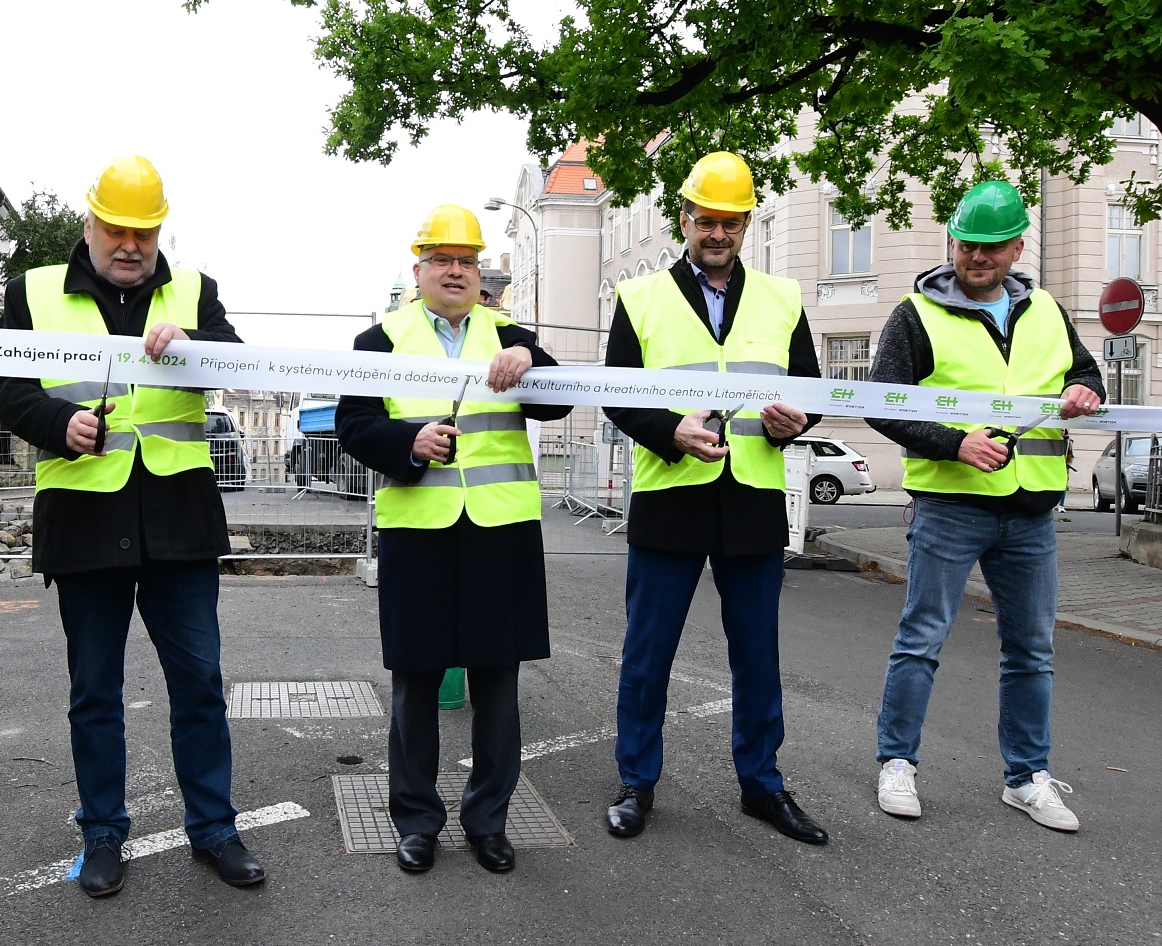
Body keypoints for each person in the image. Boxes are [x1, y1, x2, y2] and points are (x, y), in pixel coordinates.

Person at [0, 155, 264, 897]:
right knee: (95, 693)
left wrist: (194, 346)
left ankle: (215, 828)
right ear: (90, 225)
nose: (130, 245)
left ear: (159, 230)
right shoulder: (34, 291)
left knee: (199, 684)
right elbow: (2, 383)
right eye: (116, 229)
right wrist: (58, 424)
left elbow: (238, 366)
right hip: (84, 518)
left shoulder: (195, 291)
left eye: (144, 231)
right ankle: (102, 833)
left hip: (179, 521)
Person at [602, 152, 829, 846]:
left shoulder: (782, 298)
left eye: (731, 222)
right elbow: (616, 394)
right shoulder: (640, 296)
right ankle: (636, 782)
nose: (718, 233)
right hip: (671, 494)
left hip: (752, 498)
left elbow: (810, 391)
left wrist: (799, 423)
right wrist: (669, 430)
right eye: (707, 220)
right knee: (648, 656)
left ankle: (762, 783)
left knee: (757, 656)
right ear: (685, 219)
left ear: (746, 224)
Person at [337, 205, 570, 874]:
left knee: (498, 684)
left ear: (479, 273)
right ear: (418, 270)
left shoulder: (509, 335)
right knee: (416, 683)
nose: (455, 271)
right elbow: (353, 425)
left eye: (466, 261)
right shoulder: (379, 340)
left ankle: (488, 822)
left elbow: (558, 399)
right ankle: (417, 823)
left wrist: (531, 358)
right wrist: (408, 442)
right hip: (419, 530)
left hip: (500, 529)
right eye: (442, 259)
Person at [867, 180, 1103, 831]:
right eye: (967, 244)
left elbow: (1085, 373)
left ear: (1017, 247)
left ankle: (1026, 778)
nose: (978, 257)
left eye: (992, 247)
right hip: (950, 504)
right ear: (952, 241)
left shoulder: (1047, 310)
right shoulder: (916, 314)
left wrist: (1085, 390)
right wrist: (954, 443)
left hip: (1031, 509)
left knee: (1032, 650)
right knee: (921, 639)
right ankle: (897, 762)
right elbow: (881, 401)